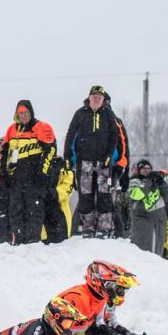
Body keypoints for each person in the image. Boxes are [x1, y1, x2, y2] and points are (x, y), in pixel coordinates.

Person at [64, 85, 126, 238]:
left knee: (104, 196)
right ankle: (88, 228)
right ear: (89, 97)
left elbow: (115, 137)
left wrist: (109, 156)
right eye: (94, 96)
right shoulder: (80, 114)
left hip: (104, 163)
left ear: (103, 99)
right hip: (84, 162)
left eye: (100, 96)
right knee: (86, 196)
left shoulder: (108, 114)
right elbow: (70, 135)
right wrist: (67, 157)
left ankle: (104, 229)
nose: (97, 98)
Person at [0, 100, 57, 245]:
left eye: (26, 113)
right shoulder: (11, 130)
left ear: (31, 113)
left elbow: (50, 151)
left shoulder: (41, 127)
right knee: (15, 211)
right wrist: (4, 175)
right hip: (16, 180)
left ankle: (33, 242)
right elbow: (5, 153)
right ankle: (18, 241)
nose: (23, 116)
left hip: (34, 179)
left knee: (34, 211)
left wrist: (42, 174)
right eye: (20, 113)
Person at [56, 261, 139, 335]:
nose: (121, 294)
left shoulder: (100, 300)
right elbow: (59, 333)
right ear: (101, 282)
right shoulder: (78, 298)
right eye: (119, 290)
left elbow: (96, 326)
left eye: (123, 291)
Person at [127, 159, 168, 256]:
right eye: (143, 169)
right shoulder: (134, 181)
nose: (147, 171)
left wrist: (162, 183)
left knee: (157, 254)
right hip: (143, 222)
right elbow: (136, 195)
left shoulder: (157, 182)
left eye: (149, 169)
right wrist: (147, 182)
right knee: (142, 254)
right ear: (139, 170)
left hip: (159, 223)